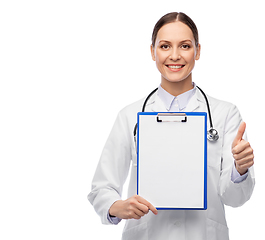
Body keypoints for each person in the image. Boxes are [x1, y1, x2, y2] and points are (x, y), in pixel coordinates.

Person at [88, 12, 255, 240]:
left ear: (197, 51)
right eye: (165, 46)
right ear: (152, 51)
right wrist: (116, 206)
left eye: (184, 46)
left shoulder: (224, 114)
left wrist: (240, 169)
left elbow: (235, 198)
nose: (174, 56)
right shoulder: (130, 116)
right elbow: (101, 188)